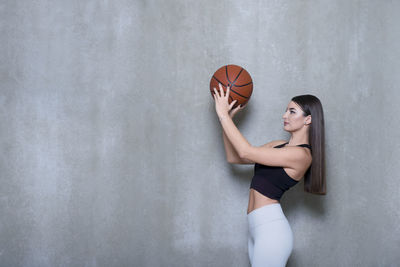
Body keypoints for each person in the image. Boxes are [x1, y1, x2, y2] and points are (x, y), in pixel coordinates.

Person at [213, 83, 326, 266]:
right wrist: (226, 121)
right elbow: (235, 157)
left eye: (292, 111)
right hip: (255, 228)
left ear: (308, 120)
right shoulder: (277, 145)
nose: (284, 116)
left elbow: (245, 152)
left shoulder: (301, 155)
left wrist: (223, 115)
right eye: (286, 110)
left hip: (271, 230)